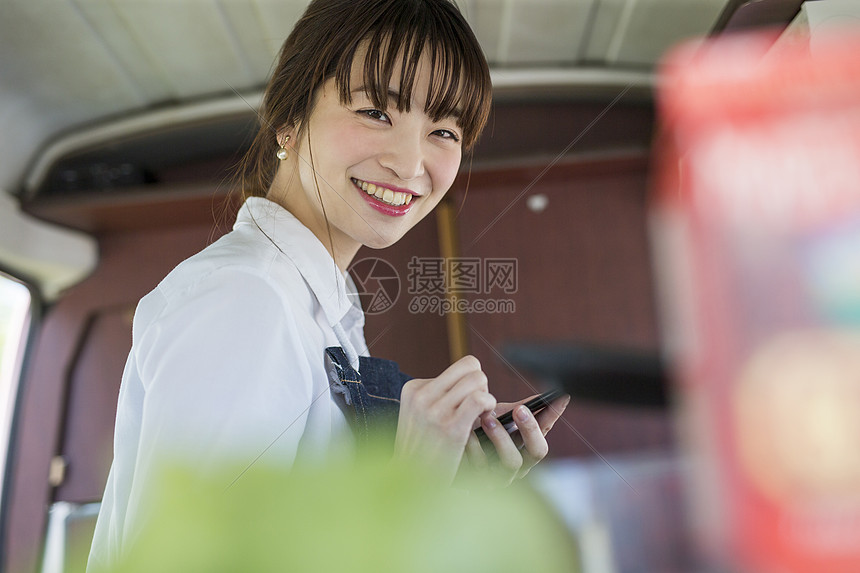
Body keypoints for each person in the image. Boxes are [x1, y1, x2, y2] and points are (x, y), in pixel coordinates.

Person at [88, 0, 570, 569]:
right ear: (289, 120)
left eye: (443, 129)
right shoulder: (247, 299)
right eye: (375, 112)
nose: (411, 163)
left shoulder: (324, 305)